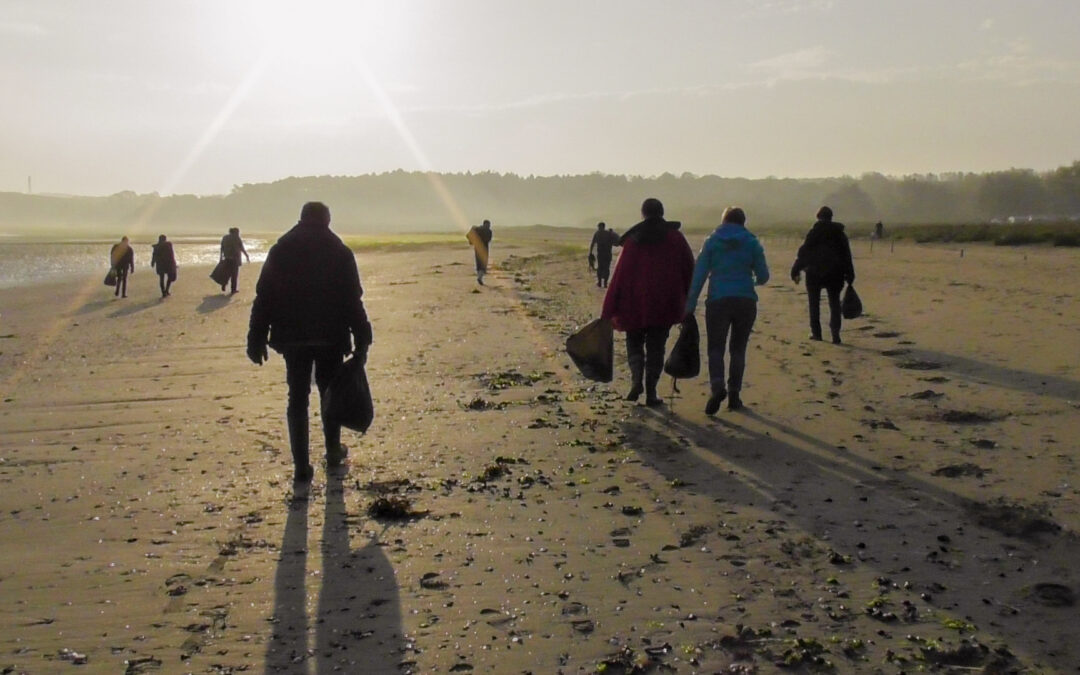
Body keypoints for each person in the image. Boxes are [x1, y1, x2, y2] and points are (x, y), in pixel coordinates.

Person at [247, 202, 373, 484]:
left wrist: (256, 337)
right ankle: (332, 450)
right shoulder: (340, 252)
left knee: (297, 397)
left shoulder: (281, 250)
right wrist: (362, 337)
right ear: (327, 220)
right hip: (331, 336)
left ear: (302, 219)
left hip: (293, 337)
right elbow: (352, 300)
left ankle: (301, 465)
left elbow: (264, 297)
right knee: (330, 393)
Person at [601, 198, 694, 406]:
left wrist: (607, 311)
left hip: (633, 304)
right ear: (662, 212)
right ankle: (651, 392)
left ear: (643, 214)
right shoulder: (676, 238)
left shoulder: (633, 241)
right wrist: (689, 301)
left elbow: (618, 277)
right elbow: (689, 269)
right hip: (665, 303)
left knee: (634, 342)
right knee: (656, 347)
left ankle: (636, 381)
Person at [684, 207, 770, 413]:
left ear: (723, 222)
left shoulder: (712, 242)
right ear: (743, 222)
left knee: (715, 348)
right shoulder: (752, 243)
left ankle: (717, 387)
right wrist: (753, 280)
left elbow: (699, 276)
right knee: (738, 349)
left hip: (718, 300)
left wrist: (689, 306)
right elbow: (764, 276)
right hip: (745, 300)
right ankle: (734, 395)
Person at [790, 206, 855, 344]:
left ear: (818, 217)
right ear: (831, 217)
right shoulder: (840, 234)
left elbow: (804, 253)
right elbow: (847, 256)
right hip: (836, 273)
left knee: (814, 304)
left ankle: (817, 333)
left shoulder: (814, 232)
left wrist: (795, 270)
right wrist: (850, 275)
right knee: (835, 304)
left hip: (814, 273)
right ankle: (835, 335)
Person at [589, 221, 620, 288]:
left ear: (600, 227)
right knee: (606, 268)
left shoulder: (597, 233)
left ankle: (600, 283)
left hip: (600, 254)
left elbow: (592, 243)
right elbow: (617, 242)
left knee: (600, 268)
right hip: (607, 254)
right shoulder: (609, 233)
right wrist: (612, 233)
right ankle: (605, 283)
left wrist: (590, 252)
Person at [220, 227, 250, 294]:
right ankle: (233, 289)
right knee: (234, 275)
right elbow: (241, 248)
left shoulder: (225, 238)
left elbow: (222, 248)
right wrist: (246, 255)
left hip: (227, 258)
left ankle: (224, 284)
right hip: (235, 259)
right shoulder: (237, 238)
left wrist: (221, 258)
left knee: (227, 273)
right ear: (235, 232)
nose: (239, 233)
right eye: (238, 232)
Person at [467, 219, 493, 285]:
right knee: (483, 264)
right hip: (484, 249)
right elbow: (489, 240)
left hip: (477, 248)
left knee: (479, 263)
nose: (489, 226)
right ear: (486, 224)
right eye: (489, 225)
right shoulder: (489, 231)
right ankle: (480, 277)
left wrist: (472, 241)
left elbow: (468, 235)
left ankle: (479, 277)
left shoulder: (476, 229)